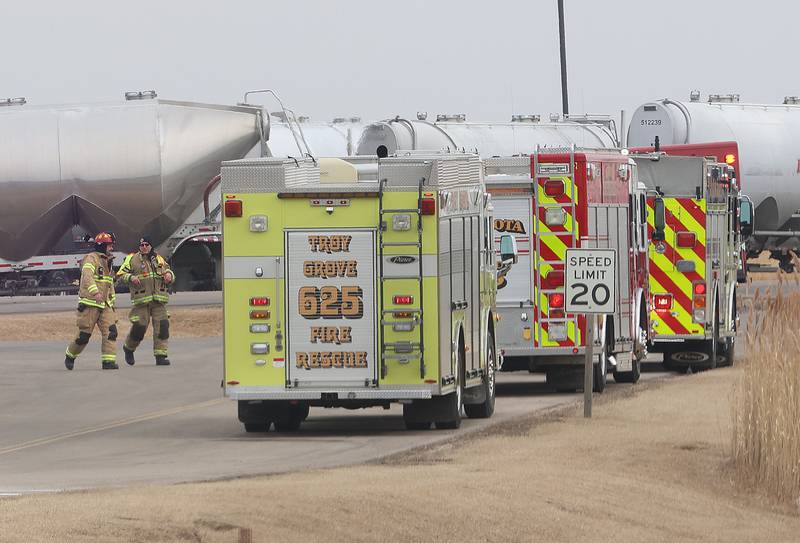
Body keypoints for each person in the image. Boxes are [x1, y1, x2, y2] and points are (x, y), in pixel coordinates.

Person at [116, 237, 175, 366]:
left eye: (146, 244)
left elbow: (169, 271)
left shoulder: (158, 259)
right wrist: (131, 277)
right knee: (140, 327)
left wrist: (169, 275)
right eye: (141, 244)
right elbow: (120, 275)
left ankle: (161, 356)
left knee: (162, 326)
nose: (143, 247)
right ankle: (129, 348)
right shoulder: (132, 259)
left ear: (151, 246)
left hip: (158, 300)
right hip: (141, 300)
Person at [64, 232, 119, 370]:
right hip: (90, 304)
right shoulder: (91, 258)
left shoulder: (108, 261)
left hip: (104, 304)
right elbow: (87, 276)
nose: (111, 248)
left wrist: (112, 302)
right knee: (84, 335)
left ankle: (108, 361)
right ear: (102, 245)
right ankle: (70, 355)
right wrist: (95, 292)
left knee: (111, 332)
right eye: (109, 245)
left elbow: (109, 283)